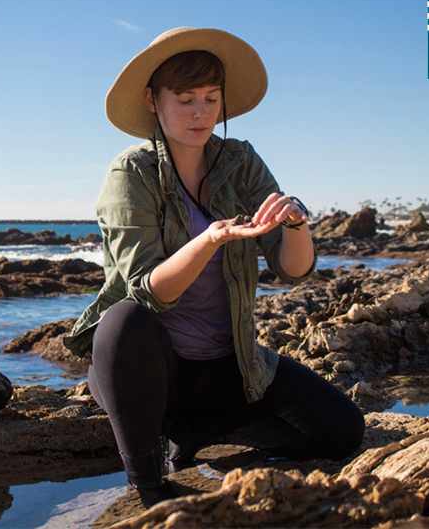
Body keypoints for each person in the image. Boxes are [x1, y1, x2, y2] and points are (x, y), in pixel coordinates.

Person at [63, 27, 364, 508]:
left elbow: (293, 272)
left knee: (344, 432)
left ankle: (204, 429)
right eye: (184, 99)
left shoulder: (240, 162)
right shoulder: (131, 173)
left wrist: (296, 223)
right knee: (123, 321)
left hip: (232, 364)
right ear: (152, 100)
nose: (201, 112)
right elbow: (149, 290)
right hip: (148, 370)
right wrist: (211, 238)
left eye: (210, 97)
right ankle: (148, 481)